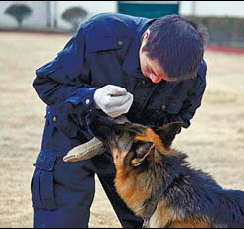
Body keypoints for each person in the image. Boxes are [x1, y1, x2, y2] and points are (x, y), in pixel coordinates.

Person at [32, 12, 207, 228]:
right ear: (146, 38)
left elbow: (178, 120)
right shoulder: (101, 33)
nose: (155, 80)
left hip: (132, 152)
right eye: (151, 69)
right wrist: (92, 98)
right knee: (61, 221)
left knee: (152, 221)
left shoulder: (194, 76)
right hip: (71, 134)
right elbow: (47, 84)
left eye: (165, 79)